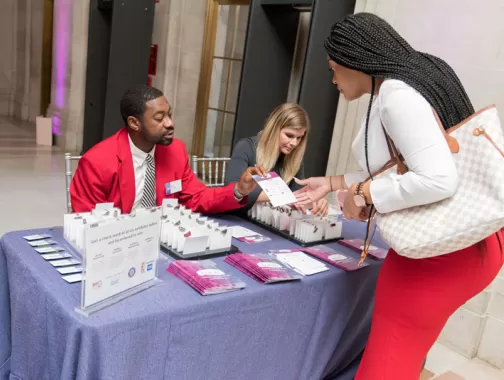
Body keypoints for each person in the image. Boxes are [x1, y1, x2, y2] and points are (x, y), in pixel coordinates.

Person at [294, 13, 504, 380]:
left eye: (333, 69)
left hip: (439, 259)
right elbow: (403, 166)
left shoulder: (395, 95)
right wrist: (333, 183)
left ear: (353, 60)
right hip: (475, 245)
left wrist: (362, 193)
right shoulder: (412, 79)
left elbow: (438, 179)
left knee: (388, 361)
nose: (332, 80)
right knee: (406, 355)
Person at [70, 85, 266, 214]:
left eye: (169, 115)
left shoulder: (175, 150)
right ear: (134, 123)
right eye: (159, 118)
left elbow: (195, 197)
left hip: (165, 239)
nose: (170, 123)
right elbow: (88, 221)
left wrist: (239, 190)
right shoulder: (97, 161)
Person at [225, 103, 328, 216]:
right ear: (274, 129)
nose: (294, 143)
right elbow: (233, 191)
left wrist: (314, 200)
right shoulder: (246, 147)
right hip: (236, 218)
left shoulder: (295, 158)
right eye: (289, 135)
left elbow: (298, 195)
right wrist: (287, 197)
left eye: (299, 138)